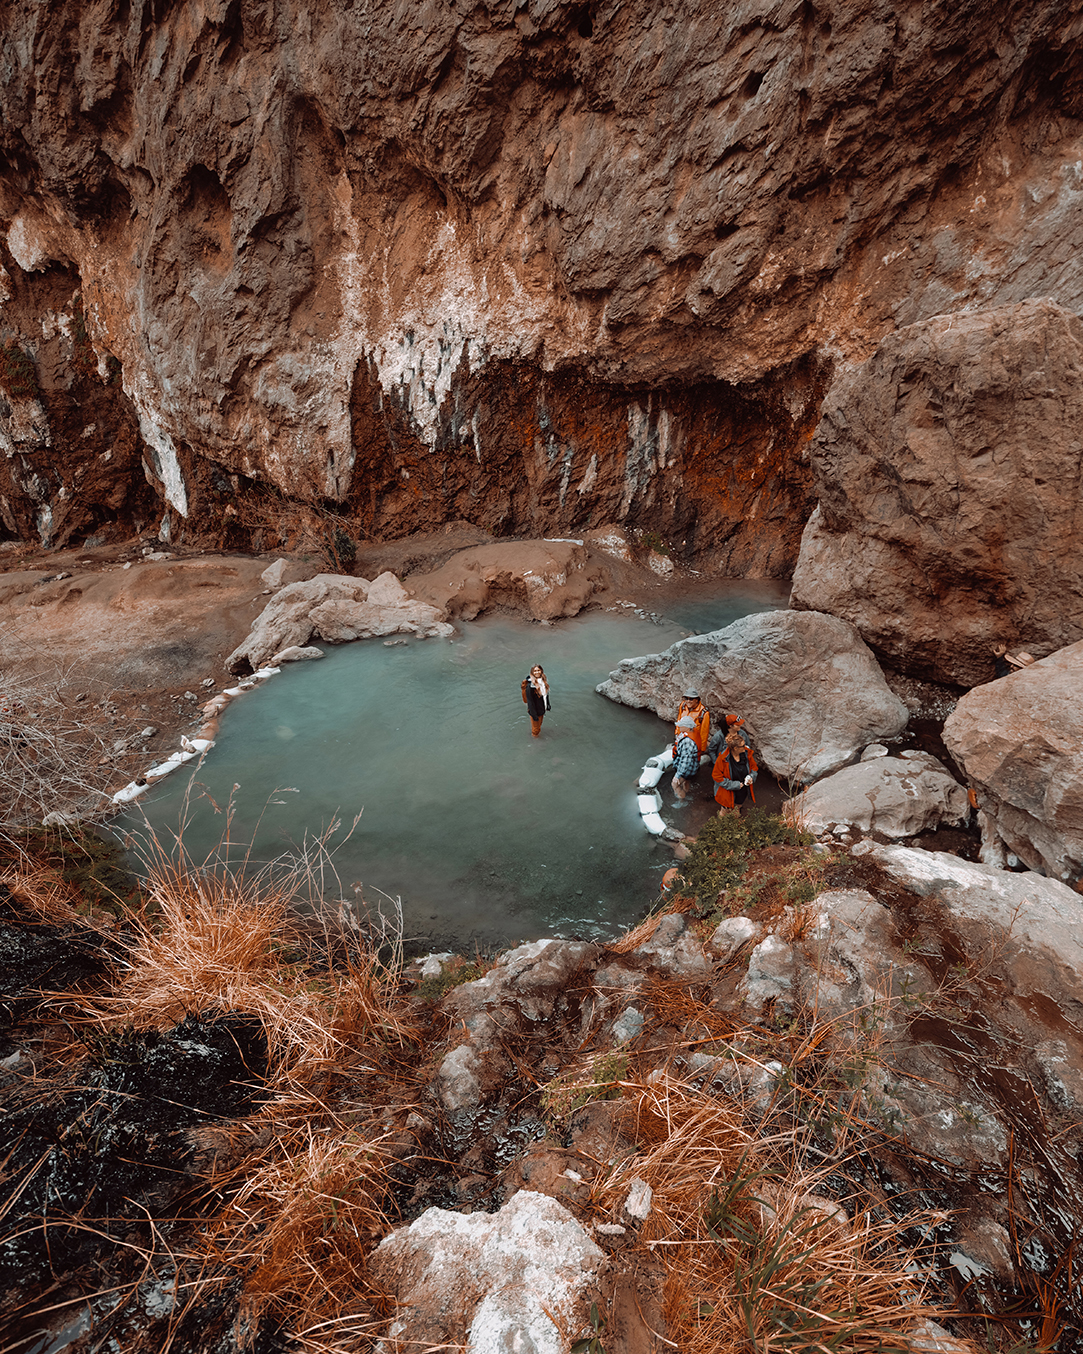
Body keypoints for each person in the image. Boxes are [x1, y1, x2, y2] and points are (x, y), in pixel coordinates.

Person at [712, 728, 758, 816]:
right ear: (735, 748)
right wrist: (734, 785)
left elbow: (754, 768)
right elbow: (717, 776)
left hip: (742, 790)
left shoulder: (746, 754)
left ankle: (735, 823)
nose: (745, 747)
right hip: (728, 792)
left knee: (737, 808)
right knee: (725, 812)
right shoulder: (722, 759)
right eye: (743, 746)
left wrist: (752, 777)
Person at [671, 715, 701, 800]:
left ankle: (681, 800)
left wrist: (677, 775)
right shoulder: (693, 731)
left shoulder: (687, 742)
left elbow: (685, 762)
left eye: (681, 725)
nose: (679, 726)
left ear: (688, 727)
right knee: (686, 781)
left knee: (674, 784)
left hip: (688, 769)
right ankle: (687, 792)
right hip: (693, 766)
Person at [675, 689, 711, 753]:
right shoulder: (683, 706)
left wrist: (701, 749)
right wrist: (676, 734)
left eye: (691, 699)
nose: (688, 701)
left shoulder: (703, 713)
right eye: (686, 698)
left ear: (696, 700)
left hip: (693, 742)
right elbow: (679, 720)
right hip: (681, 738)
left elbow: (704, 733)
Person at [521, 664, 551, 737]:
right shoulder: (530, 686)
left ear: (541, 671)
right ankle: (535, 742)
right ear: (532, 672)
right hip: (535, 711)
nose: (537, 672)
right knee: (536, 730)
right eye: (535, 671)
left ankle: (535, 735)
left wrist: (548, 704)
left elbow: (545, 694)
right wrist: (534, 715)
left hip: (542, 708)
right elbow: (530, 701)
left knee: (539, 725)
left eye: (538, 670)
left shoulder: (543, 681)